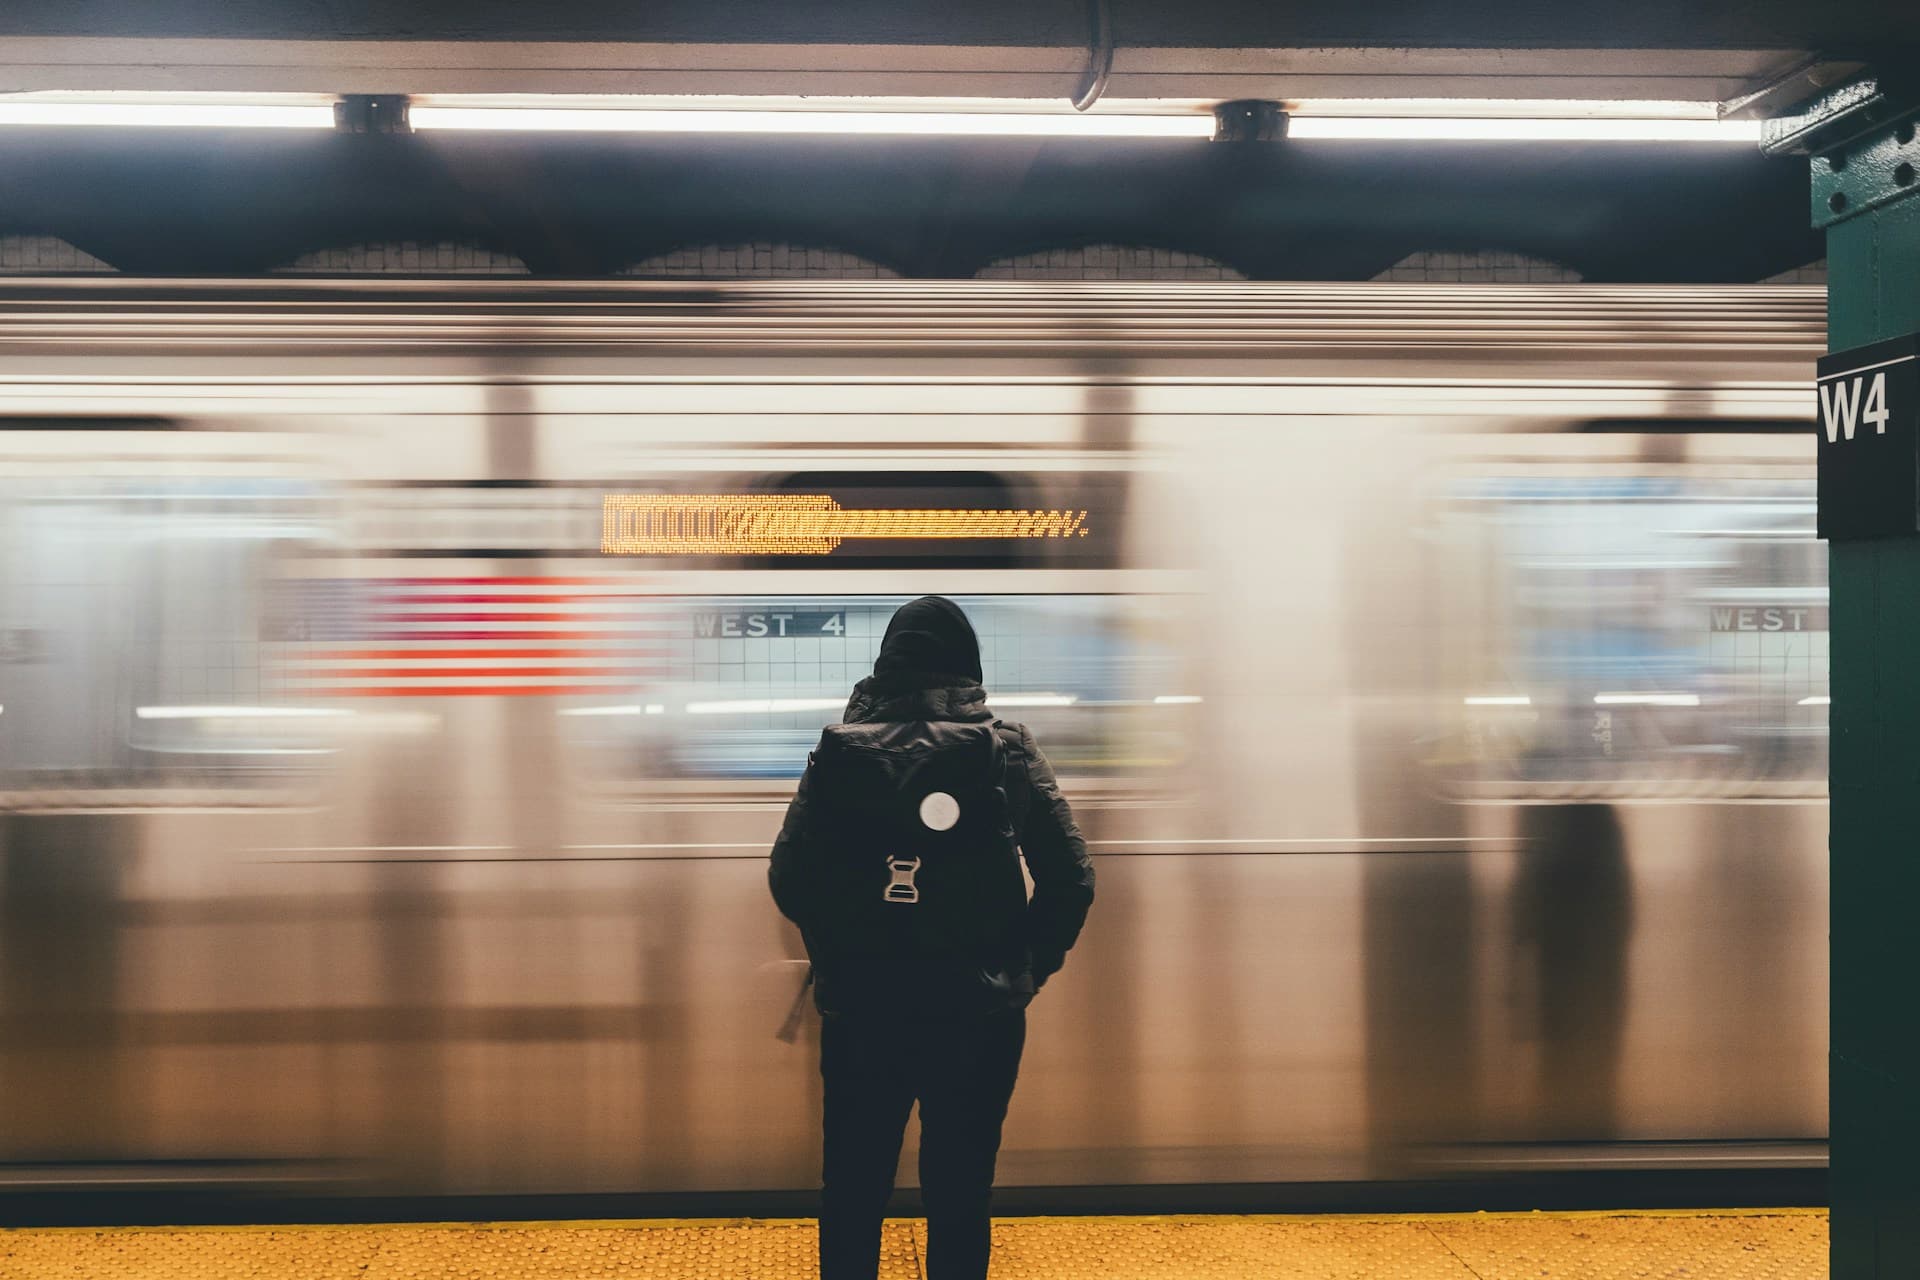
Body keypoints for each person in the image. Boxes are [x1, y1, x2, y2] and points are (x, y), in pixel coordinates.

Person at [769, 596, 1095, 1280]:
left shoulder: (840, 751)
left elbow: (789, 877)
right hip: (978, 1017)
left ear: (884, 665)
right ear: (969, 668)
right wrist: (1022, 970)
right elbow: (1071, 880)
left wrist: (842, 959)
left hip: (863, 1012)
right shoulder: (1008, 752)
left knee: (854, 1193)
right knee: (959, 1194)